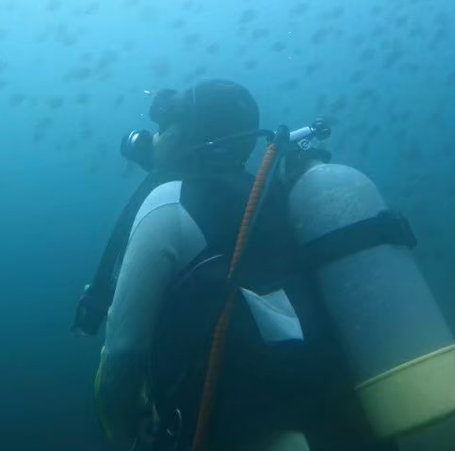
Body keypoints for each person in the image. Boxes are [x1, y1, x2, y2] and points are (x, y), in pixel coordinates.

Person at [84, 79, 395, 451]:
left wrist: (121, 426)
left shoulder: (168, 201)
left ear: (190, 133)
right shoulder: (276, 200)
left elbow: (123, 351)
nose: (155, 138)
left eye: (165, 127)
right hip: (335, 420)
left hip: (238, 430)